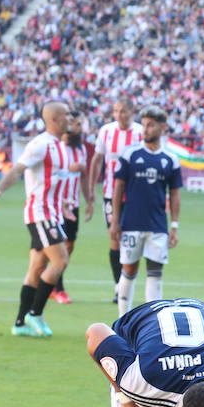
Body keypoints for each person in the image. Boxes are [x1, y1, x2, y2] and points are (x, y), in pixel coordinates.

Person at [0, 99, 72, 339]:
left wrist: (64, 205)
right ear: (53, 119)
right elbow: (17, 170)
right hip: (40, 213)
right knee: (60, 261)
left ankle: (20, 323)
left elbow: (53, 181)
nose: (70, 118)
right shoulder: (40, 145)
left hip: (53, 212)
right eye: (66, 115)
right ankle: (36, 312)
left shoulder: (60, 146)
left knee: (36, 267)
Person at [111, 106, 182, 315]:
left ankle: (153, 323)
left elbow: (175, 194)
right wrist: (116, 220)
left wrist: (174, 225)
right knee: (129, 269)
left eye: (151, 125)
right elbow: (118, 188)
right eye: (144, 125)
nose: (146, 129)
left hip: (158, 225)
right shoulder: (130, 154)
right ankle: (123, 320)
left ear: (163, 127)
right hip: (131, 222)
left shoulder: (170, 159)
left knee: (155, 273)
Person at [90, 98, 140, 296]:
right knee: (114, 237)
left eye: (124, 111)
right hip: (111, 195)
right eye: (116, 111)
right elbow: (97, 159)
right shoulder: (106, 131)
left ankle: (127, 285)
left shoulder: (140, 132)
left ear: (131, 111)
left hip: (136, 196)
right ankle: (118, 287)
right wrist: (92, 187)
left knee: (132, 241)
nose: (120, 115)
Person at [51, 106, 94, 305]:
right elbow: (49, 172)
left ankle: (52, 283)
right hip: (55, 205)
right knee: (57, 248)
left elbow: (83, 177)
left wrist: (89, 199)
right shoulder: (57, 146)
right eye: (77, 124)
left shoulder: (82, 149)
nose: (79, 128)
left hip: (73, 203)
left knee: (69, 246)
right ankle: (57, 287)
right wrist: (68, 168)